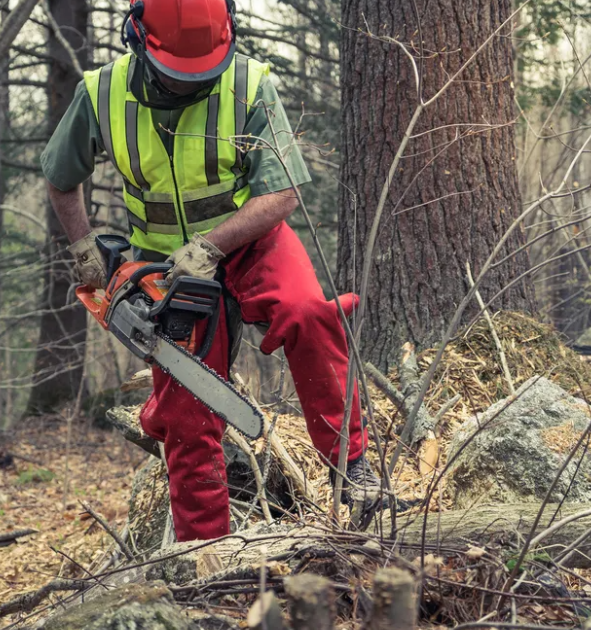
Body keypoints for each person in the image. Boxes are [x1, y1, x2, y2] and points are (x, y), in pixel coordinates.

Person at [40, 0, 378, 542]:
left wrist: (214, 245)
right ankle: (205, 552)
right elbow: (61, 177)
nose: (187, 86)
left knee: (308, 313)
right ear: (138, 39)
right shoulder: (101, 93)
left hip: (250, 238)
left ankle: (353, 467)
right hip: (162, 263)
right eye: (177, 75)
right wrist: (85, 252)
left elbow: (284, 190)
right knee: (186, 412)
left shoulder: (249, 84)